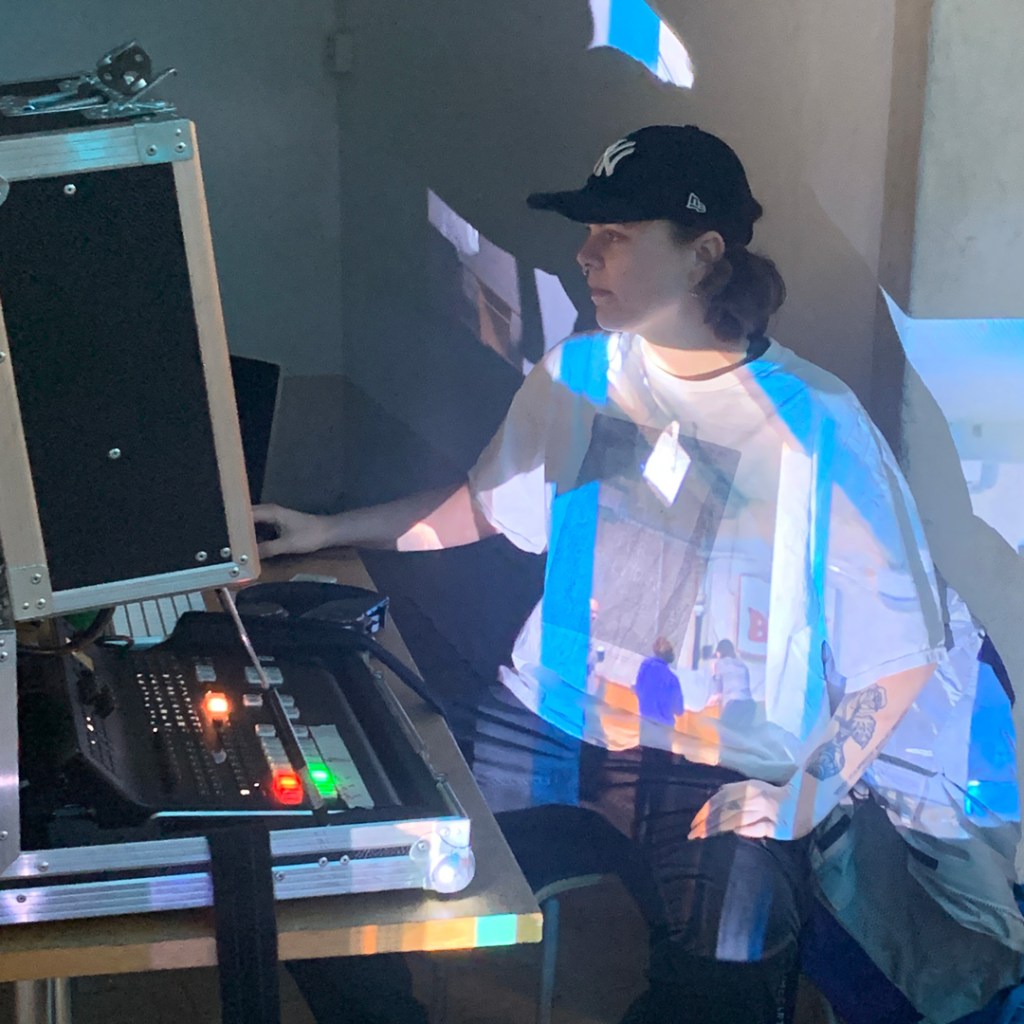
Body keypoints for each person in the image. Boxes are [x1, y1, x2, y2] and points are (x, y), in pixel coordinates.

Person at [255, 125, 1024, 1022]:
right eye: (589, 233)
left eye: (615, 235)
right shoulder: (578, 373)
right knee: (326, 875)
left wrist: (808, 794)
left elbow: (902, 650)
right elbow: (488, 504)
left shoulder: (818, 422)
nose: (586, 256)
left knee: (725, 975)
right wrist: (327, 529)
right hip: (544, 728)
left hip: (720, 764)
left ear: (703, 256)